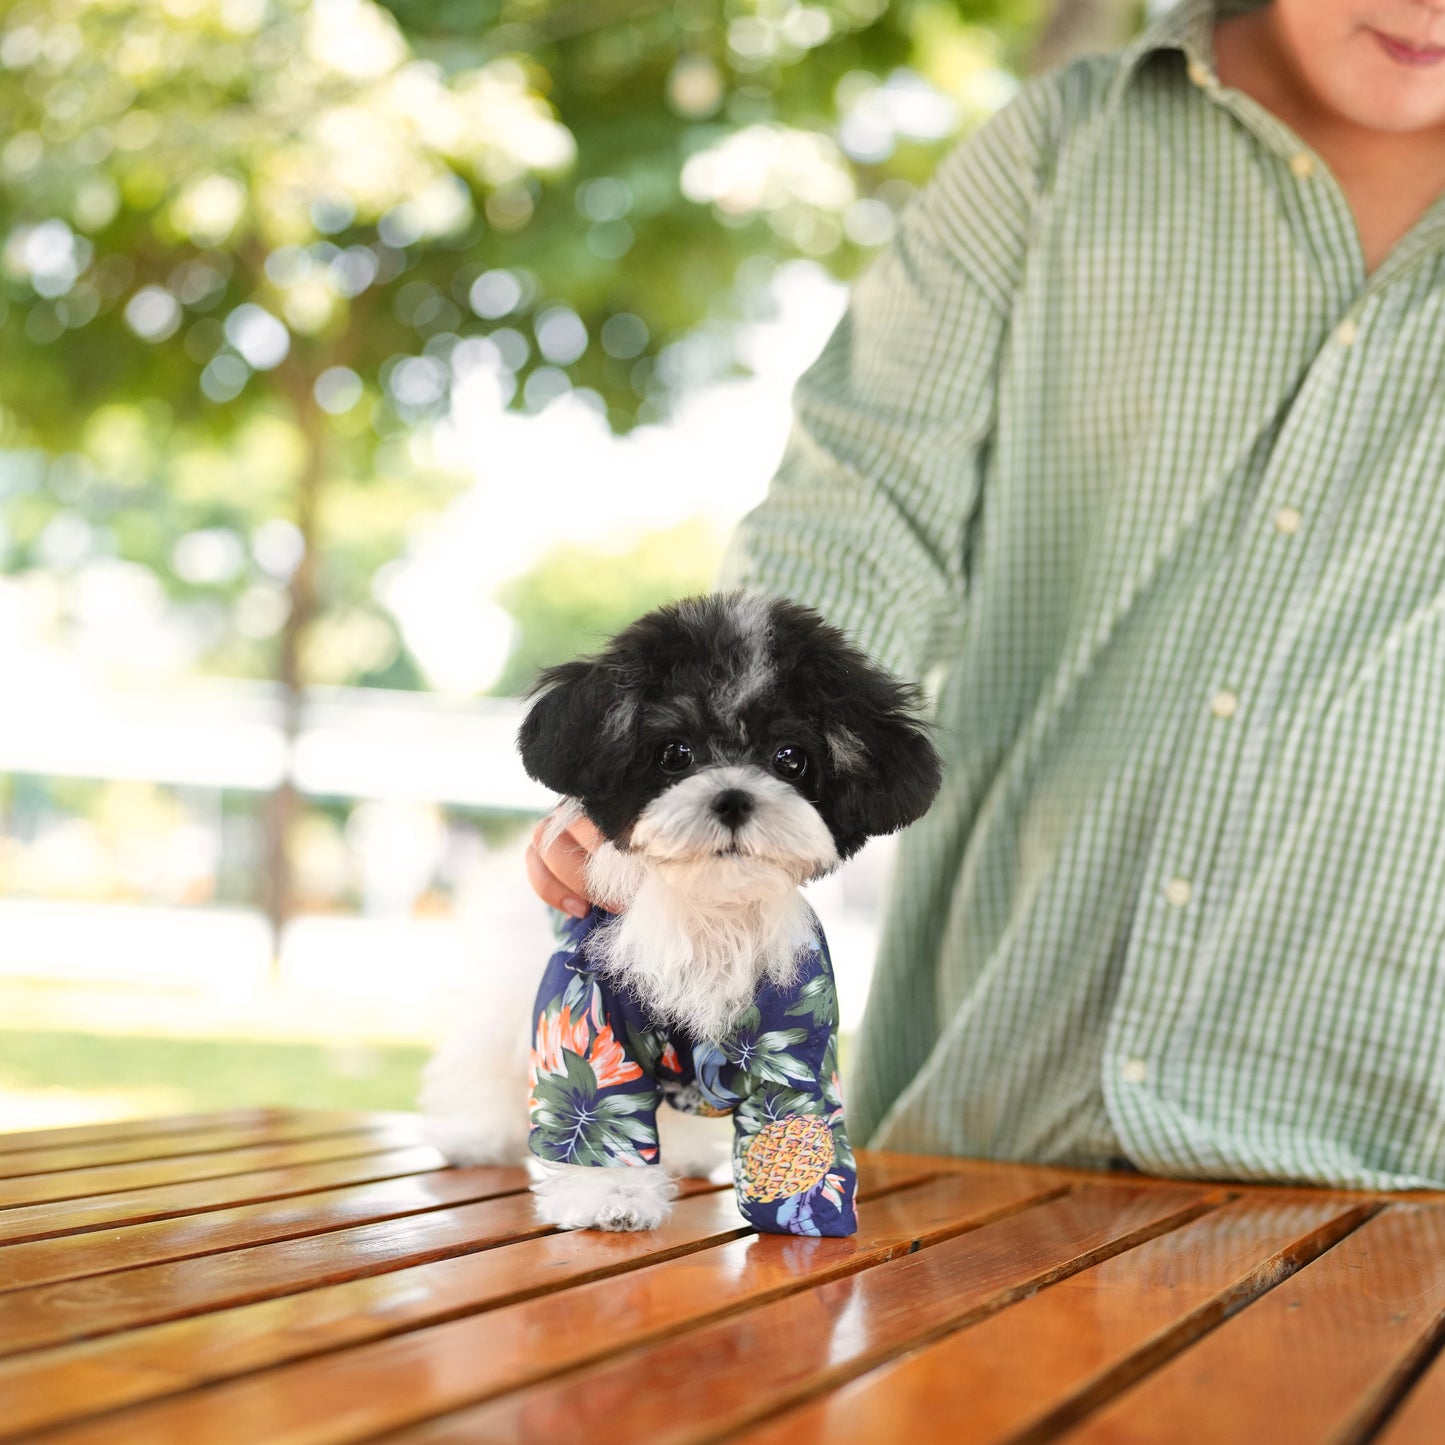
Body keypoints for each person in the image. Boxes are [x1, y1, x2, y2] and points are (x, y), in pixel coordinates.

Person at [526, 0, 1445, 1190]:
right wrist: (697, 766)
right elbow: (864, 510)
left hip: (1402, 1155)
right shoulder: (1051, 155)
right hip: (1006, 1103)